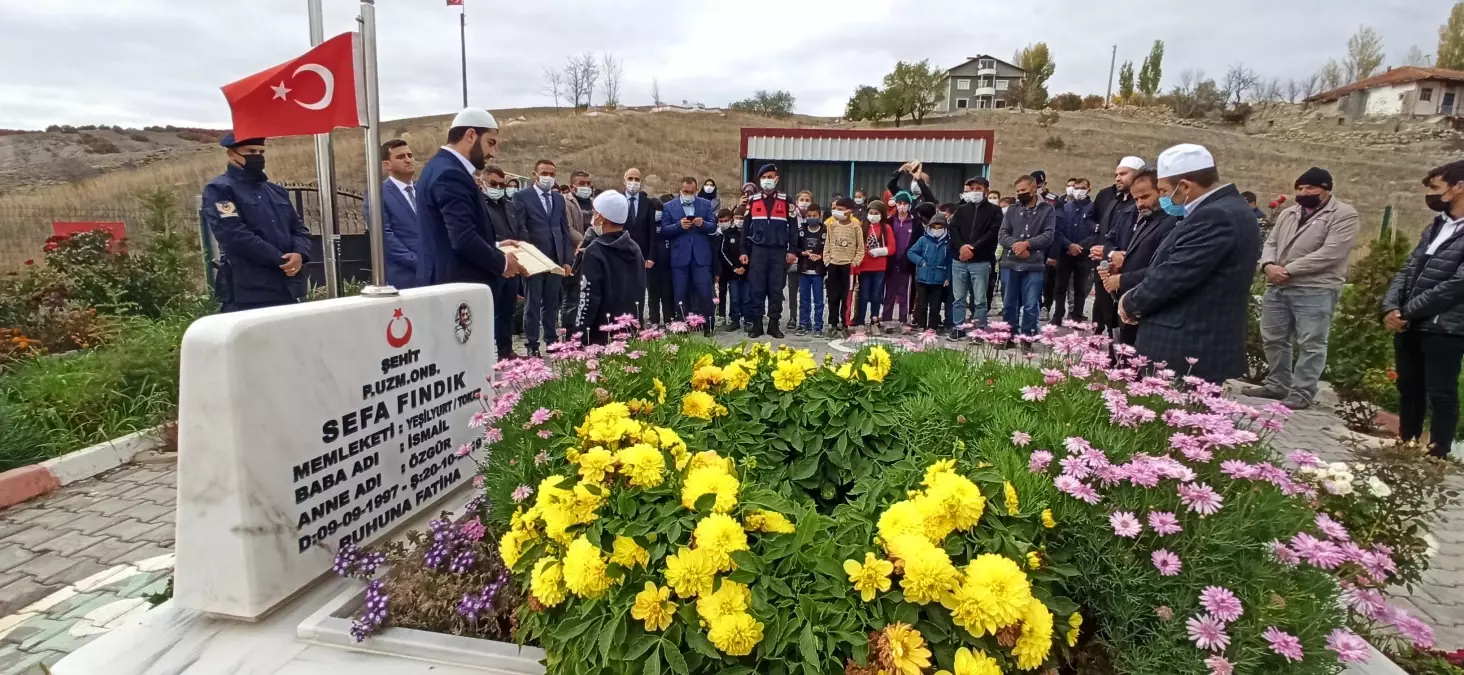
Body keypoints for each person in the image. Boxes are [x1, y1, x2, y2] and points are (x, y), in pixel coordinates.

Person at [1118, 144, 1261, 384]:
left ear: (1184, 185)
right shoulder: (1226, 209)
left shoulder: (1216, 216)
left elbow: (1175, 274)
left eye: (1163, 190)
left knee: (1176, 419)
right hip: (1192, 343)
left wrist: (1131, 302)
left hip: (1187, 347)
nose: (1162, 198)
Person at [1245, 167, 1361, 410]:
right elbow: (1272, 243)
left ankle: (1302, 392)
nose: (1303, 192)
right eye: (1300, 188)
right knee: (1273, 337)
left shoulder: (1343, 215)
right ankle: (1278, 383)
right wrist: (1267, 265)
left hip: (1315, 288)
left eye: (1310, 188)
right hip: (1278, 285)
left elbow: (1331, 252)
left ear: (1326, 189)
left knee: (1311, 342)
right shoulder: (1289, 213)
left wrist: (1288, 269)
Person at [1382, 159, 1464, 458]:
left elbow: (1457, 284)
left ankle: (1437, 454)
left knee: (1441, 392)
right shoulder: (1437, 225)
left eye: (1437, 188)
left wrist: (1409, 311)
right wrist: (1391, 307)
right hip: (1411, 321)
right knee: (1409, 387)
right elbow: (1409, 267)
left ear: (1459, 187)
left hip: (1446, 326)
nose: (1433, 195)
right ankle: (1406, 444)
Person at [415, 108, 525, 308]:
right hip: (456, 293)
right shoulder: (450, 174)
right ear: (471, 135)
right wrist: (504, 263)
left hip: (449, 287)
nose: (493, 153)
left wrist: (496, 245)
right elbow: (463, 239)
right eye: (490, 143)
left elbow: (449, 233)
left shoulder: (439, 167)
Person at [202, 134, 312, 312]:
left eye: (261, 151)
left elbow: (299, 228)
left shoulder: (276, 192)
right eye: (251, 151)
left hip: (286, 288)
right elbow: (233, 235)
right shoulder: (220, 189)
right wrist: (279, 259)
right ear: (231, 154)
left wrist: (299, 254)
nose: (258, 156)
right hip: (248, 292)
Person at [1097, 169, 1179, 346]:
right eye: (1136, 199)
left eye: (1145, 197)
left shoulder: (1171, 223)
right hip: (1125, 303)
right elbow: (1114, 243)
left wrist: (1122, 279)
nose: (1140, 204)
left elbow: (1163, 268)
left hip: (1145, 303)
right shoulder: (1144, 219)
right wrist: (1114, 264)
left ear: (1161, 192)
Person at [510, 158, 573, 357]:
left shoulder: (558, 199)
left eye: (552, 174)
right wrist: (528, 256)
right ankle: (532, 344)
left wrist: (566, 260)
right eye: (544, 173)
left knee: (552, 303)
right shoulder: (522, 197)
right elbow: (520, 228)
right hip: (534, 259)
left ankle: (551, 341)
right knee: (532, 304)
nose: (548, 177)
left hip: (555, 259)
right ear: (535, 175)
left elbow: (564, 230)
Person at [576, 190, 646, 346]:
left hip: (602, 333)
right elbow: (640, 290)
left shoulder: (595, 251)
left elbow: (588, 298)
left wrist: (580, 334)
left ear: (601, 218)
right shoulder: (634, 247)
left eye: (595, 213)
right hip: (629, 329)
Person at [1089, 156, 1146, 337]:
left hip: (1131, 275)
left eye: (1123, 173)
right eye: (1116, 174)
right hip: (1106, 268)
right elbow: (1107, 235)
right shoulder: (1112, 200)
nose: (1118, 178)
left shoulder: (1143, 207)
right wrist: (1108, 252)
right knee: (1104, 312)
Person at [742, 163, 799, 339]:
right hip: (758, 250)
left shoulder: (786, 200)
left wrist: (792, 250)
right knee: (756, 288)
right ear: (760, 180)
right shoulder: (752, 200)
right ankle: (757, 324)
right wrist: (743, 251)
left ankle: (774, 324)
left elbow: (794, 228)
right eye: (764, 177)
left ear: (777, 179)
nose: (767, 180)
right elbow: (745, 228)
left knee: (776, 289)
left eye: (770, 177)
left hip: (778, 251)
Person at [998, 176, 1056, 341]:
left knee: (1031, 305)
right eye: (1017, 191)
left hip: (1034, 264)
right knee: (1009, 304)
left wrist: (1028, 244)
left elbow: (1049, 235)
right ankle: (1007, 336)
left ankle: (1027, 337)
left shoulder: (1047, 209)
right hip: (1010, 262)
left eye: (1023, 190)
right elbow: (1002, 235)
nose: (1020, 194)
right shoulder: (1012, 210)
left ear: (1033, 188)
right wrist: (1017, 245)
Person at [479, 165, 527, 359]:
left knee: (507, 310)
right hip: (491, 264)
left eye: (501, 184)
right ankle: (484, 354)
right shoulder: (479, 206)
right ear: (482, 183)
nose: (497, 188)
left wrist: (524, 247)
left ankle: (506, 351)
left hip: (512, 263)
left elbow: (519, 229)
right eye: (493, 184)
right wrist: (498, 246)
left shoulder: (508, 205)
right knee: (490, 311)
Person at [661, 177, 718, 329]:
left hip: (701, 257)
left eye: (691, 192)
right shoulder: (669, 206)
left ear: (696, 190)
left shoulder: (705, 204)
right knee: (679, 293)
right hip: (679, 258)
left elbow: (713, 226)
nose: (688, 194)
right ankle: (682, 326)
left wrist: (703, 224)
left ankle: (709, 324)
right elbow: (664, 230)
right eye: (685, 192)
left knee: (705, 292)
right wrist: (678, 226)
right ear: (680, 190)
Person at [949, 177, 1003, 336]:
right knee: (958, 298)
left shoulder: (994, 211)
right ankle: (958, 328)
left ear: (986, 190)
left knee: (979, 299)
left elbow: (993, 233)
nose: (974, 192)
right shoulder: (962, 209)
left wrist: (973, 248)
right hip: (959, 260)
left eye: (978, 188)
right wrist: (961, 247)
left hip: (980, 260)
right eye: (971, 189)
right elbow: (953, 229)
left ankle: (979, 329)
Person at [375, 139, 421, 290]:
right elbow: (384, 236)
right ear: (387, 164)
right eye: (401, 157)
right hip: (404, 278)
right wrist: (417, 261)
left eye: (410, 155)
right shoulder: (378, 194)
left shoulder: (423, 191)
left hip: (435, 275)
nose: (408, 160)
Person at [1050, 177, 1096, 324]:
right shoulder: (1065, 207)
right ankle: (1058, 316)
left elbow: (1096, 232)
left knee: (1080, 288)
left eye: (1082, 187)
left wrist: (1080, 247)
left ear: (1089, 189)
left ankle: (1076, 315)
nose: (1078, 191)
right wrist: (1069, 245)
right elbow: (1057, 230)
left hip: (1084, 254)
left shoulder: (1094, 208)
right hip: (1065, 252)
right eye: (1076, 187)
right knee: (1060, 286)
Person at [824, 200, 867, 339]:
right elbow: (827, 244)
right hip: (833, 265)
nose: (836, 211)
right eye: (835, 208)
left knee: (846, 297)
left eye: (840, 209)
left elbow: (860, 248)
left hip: (848, 267)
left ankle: (845, 324)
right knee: (832, 296)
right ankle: (833, 324)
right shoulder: (831, 226)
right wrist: (827, 260)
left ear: (849, 211)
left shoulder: (856, 227)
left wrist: (854, 263)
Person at [854, 199, 896, 333]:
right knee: (864, 295)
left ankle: (874, 321)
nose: (873, 215)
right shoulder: (862, 227)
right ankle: (860, 321)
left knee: (876, 295)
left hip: (879, 268)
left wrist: (879, 251)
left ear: (881, 214)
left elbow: (892, 248)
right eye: (870, 212)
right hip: (864, 267)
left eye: (876, 213)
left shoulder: (886, 228)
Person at [908, 212, 953, 332]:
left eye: (940, 227)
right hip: (922, 278)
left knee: (935, 306)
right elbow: (911, 252)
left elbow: (949, 262)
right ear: (930, 227)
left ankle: (933, 327)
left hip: (938, 279)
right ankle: (921, 325)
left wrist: (948, 277)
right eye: (934, 227)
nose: (936, 230)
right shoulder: (923, 240)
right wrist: (921, 261)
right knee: (922, 304)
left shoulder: (947, 243)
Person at [882, 192, 919, 327]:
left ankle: (904, 320)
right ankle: (886, 320)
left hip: (907, 263)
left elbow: (917, 242)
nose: (902, 206)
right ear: (895, 205)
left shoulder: (915, 223)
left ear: (909, 205)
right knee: (889, 292)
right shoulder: (890, 221)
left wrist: (908, 258)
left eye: (905, 204)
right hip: (891, 262)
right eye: (899, 204)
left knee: (904, 293)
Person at [797, 203, 829, 336]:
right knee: (804, 300)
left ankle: (818, 326)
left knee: (818, 301)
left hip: (818, 271)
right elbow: (795, 248)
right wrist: (803, 253)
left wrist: (821, 256)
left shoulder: (825, 232)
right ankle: (804, 324)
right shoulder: (801, 231)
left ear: (820, 216)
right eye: (809, 216)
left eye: (814, 216)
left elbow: (829, 249)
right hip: (804, 270)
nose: (812, 218)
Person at [786, 191, 815, 329]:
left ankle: (806, 318)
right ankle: (792, 317)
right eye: (802, 199)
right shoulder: (791, 217)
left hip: (808, 261)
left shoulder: (813, 218)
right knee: (792, 290)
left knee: (805, 292)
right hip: (793, 258)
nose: (804, 202)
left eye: (807, 199)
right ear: (796, 202)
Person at [718, 208, 747, 331]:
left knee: (747, 297)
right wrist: (734, 267)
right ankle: (734, 320)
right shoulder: (729, 233)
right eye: (737, 218)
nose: (739, 220)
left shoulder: (749, 232)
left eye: (742, 218)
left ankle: (748, 319)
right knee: (734, 297)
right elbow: (724, 252)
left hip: (747, 272)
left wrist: (745, 267)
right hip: (733, 272)